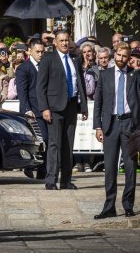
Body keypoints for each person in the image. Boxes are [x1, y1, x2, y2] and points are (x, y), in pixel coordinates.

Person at [93, 42, 140, 219]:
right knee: (110, 168)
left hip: (129, 124)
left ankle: (128, 205)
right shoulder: (105, 75)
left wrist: (138, 70)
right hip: (110, 125)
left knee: (130, 167)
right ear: (114, 55)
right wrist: (97, 126)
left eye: (125, 56)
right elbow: (98, 103)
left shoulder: (134, 75)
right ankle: (109, 206)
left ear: (129, 58)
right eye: (119, 55)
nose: (121, 59)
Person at [37, 30, 88, 190]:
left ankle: (66, 180)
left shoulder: (76, 59)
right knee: (54, 145)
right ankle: (51, 180)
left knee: (68, 144)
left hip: (72, 106)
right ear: (55, 43)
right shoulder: (48, 58)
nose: (65, 43)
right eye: (61, 40)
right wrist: (44, 107)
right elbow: (40, 86)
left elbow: (81, 84)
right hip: (54, 107)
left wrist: (84, 107)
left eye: (67, 40)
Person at [15, 39, 47, 179]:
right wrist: (27, 109)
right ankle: (33, 167)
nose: (40, 54)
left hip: (46, 109)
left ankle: (43, 171)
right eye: (38, 52)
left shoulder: (46, 65)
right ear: (30, 51)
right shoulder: (24, 68)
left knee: (47, 141)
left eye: (42, 52)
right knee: (40, 140)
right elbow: (22, 92)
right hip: (33, 111)